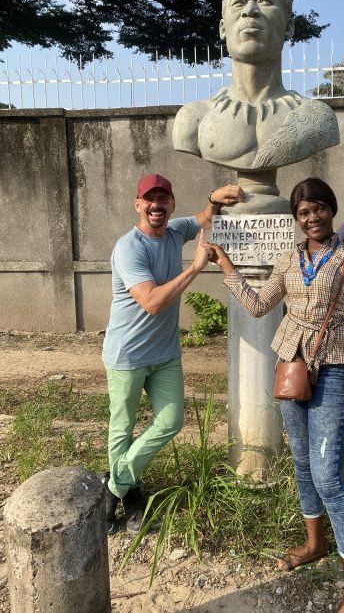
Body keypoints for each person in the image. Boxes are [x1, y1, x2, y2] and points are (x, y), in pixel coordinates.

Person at [205, 177, 344, 613]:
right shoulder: (287, 259)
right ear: (296, 219)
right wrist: (227, 266)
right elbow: (261, 305)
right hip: (290, 369)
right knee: (302, 463)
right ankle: (315, 543)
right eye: (303, 212)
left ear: (332, 210)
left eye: (318, 208)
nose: (312, 217)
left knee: (329, 477)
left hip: (334, 369)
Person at [101, 173, 242, 534]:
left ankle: (112, 487)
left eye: (163, 199)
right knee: (123, 429)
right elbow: (151, 302)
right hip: (127, 355)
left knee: (171, 421)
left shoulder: (176, 230)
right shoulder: (128, 248)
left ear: (171, 205)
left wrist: (213, 197)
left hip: (164, 354)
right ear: (138, 205)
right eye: (150, 200)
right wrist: (195, 268)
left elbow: (204, 219)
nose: (156, 206)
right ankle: (130, 500)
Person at [172, 0, 338, 172]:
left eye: (265, 1)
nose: (249, 10)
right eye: (239, 3)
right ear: (223, 29)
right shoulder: (193, 119)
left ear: (289, 27)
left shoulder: (317, 118)